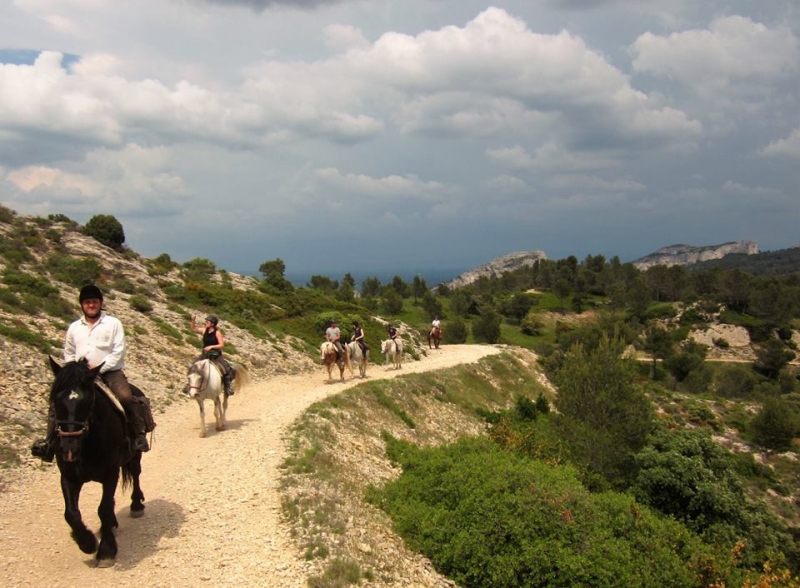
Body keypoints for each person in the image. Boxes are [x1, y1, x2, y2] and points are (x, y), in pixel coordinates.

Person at [32, 284, 151, 461]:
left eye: (94, 301)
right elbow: (69, 351)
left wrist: (97, 370)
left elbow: (118, 350)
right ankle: (49, 443)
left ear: (100, 303)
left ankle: (138, 436)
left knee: (125, 397)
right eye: (87, 302)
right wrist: (74, 371)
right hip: (80, 375)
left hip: (110, 372)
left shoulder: (113, 323)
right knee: (57, 402)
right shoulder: (74, 327)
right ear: (82, 304)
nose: (91, 305)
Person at [190, 314, 236, 395]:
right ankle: (189, 386)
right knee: (193, 367)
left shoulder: (217, 333)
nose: (206, 323)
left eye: (207, 322)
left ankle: (227, 388)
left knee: (225, 369)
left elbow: (221, 345)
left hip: (216, 355)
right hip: (205, 354)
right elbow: (193, 328)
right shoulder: (204, 330)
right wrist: (193, 320)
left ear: (212, 324)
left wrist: (211, 346)